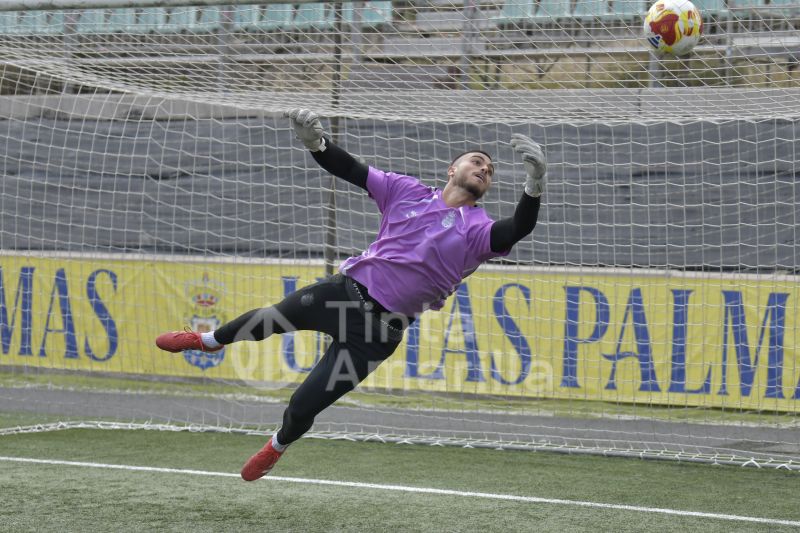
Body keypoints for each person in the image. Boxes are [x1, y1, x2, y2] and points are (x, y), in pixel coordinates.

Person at [155, 108, 546, 481]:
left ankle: (277, 446)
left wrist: (534, 185)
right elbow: (351, 169)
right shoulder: (405, 190)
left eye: (490, 170)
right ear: (453, 169)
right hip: (344, 295)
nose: (484, 169)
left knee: (304, 405)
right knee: (269, 319)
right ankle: (206, 341)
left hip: (377, 337)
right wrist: (316, 144)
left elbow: (517, 229)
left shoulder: (478, 230)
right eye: (477, 161)